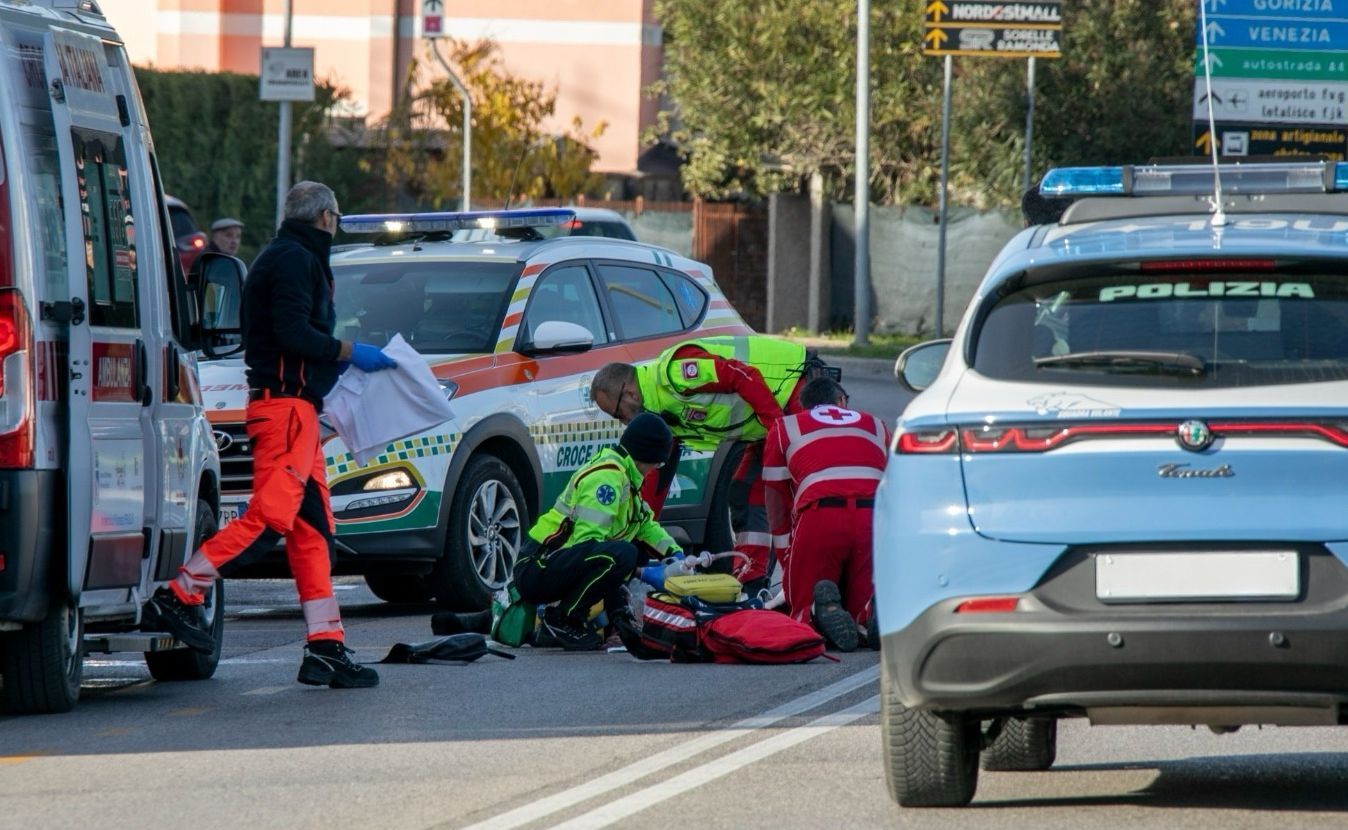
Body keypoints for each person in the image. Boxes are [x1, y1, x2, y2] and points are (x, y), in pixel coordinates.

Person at [148, 181, 398, 688]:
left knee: (313, 536)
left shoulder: (290, 254)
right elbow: (292, 334)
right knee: (268, 521)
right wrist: (351, 353)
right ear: (326, 216)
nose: (337, 223)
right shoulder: (293, 259)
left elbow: (291, 336)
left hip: (296, 411)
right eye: (338, 216)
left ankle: (325, 647)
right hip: (284, 411)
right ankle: (179, 593)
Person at [589, 335, 830, 593]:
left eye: (618, 413)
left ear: (630, 393)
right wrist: (639, 540)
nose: (622, 422)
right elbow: (656, 477)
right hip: (769, 419)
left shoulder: (674, 373)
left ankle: (821, 582)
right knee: (745, 490)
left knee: (803, 491)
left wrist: (777, 431)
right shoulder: (658, 414)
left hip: (798, 387)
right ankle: (752, 583)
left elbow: (742, 375)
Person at [514, 412, 684, 650]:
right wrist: (639, 573)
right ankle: (562, 620)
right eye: (659, 461)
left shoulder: (627, 478)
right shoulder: (607, 479)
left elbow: (645, 524)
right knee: (623, 555)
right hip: (537, 566)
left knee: (625, 553)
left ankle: (571, 622)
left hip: (554, 563)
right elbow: (587, 545)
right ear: (648, 455)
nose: (658, 467)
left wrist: (675, 554)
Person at [762, 377, 889, 652]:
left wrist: (787, 558)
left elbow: (777, 501)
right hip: (873, 516)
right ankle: (866, 615)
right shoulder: (876, 425)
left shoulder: (785, 427)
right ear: (842, 402)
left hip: (821, 515)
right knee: (862, 593)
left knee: (803, 601)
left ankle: (815, 615)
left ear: (804, 407)